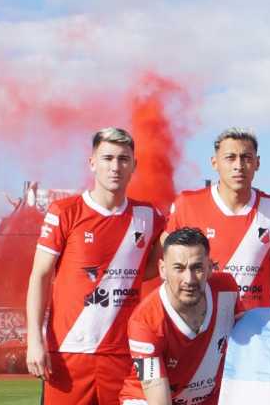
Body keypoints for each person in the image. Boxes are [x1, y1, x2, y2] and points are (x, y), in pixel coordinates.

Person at [26, 127, 166, 404]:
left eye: (123, 159)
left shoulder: (149, 216)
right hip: (69, 351)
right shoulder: (65, 212)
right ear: (92, 163)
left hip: (126, 352)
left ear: (134, 165)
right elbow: (39, 276)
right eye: (107, 158)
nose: (115, 167)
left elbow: (158, 267)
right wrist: (34, 340)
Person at [164, 128, 270, 310]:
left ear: (257, 163)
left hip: (256, 323)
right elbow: (167, 258)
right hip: (203, 320)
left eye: (246, 158)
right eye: (230, 158)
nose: (238, 165)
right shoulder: (187, 204)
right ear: (214, 163)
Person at [119, 227, 243, 405]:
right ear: (162, 269)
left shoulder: (227, 288)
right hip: (147, 399)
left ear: (209, 267)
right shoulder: (144, 321)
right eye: (179, 268)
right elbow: (157, 396)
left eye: (197, 268)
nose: (189, 279)